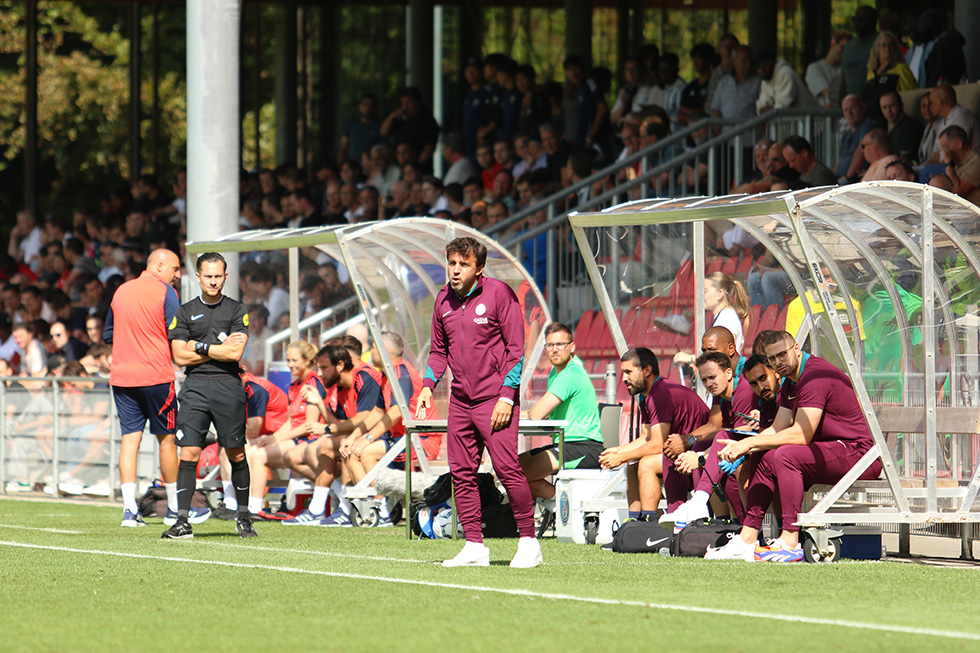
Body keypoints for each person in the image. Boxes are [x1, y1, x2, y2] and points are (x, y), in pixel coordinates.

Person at [415, 236, 540, 568]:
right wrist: (428, 385)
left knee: (506, 468)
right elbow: (438, 352)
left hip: (494, 400)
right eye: (452, 263)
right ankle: (474, 546)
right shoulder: (442, 300)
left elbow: (516, 350)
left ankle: (529, 541)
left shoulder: (499, 294)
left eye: (463, 264)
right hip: (460, 402)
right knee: (462, 473)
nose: (455, 271)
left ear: (479, 268)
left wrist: (507, 396)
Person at [706, 330, 883, 562]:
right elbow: (778, 428)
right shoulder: (791, 380)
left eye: (782, 355)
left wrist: (751, 442)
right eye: (772, 359)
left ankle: (790, 539)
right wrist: (745, 446)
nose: (778, 362)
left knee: (785, 456)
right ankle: (747, 538)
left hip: (859, 455)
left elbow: (801, 434)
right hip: (831, 450)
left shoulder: (814, 377)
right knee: (765, 455)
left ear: (796, 349)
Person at [162, 252, 254, 539]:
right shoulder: (185, 312)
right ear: (198, 277)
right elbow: (179, 357)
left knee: (236, 452)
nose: (213, 281)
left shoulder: (238, 311)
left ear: (226, 277)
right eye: (208, 276)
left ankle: (243, 517)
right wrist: (217, 351)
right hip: (195, 388)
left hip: (228, 386)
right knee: (188, 452)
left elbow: (235, 353)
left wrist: (199, 347)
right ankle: (182, 521)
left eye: (218, 276)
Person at [103, 248, 181, 528]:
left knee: (129, 440)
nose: (178, 274)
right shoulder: (166, 292)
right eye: (175, 268)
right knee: (167, 440)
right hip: (156, 375)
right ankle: (174, 509)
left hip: (123, 377)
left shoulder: (121, 291)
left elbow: (109, 335)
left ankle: (128, 511)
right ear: (160, 266)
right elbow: (177, 333)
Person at [661, 348, 781, 528]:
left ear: (728, 373)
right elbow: (729, 433)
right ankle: (718, 521)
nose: (708, 383)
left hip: (768, 448)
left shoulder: (744, 391)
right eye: (704, 380)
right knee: (700, 450)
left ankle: (740, 526)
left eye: (712, 377)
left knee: (734, 465)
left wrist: (701, 458)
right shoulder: (723, 398)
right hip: (755, 446)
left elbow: (740, 435)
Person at [598, 347, 709, 522]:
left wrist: (622, 456)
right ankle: (636, 521)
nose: (624, 378)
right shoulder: (646, 395)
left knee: (647, 463)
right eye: (623, 372)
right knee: (632, 463)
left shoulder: (661, 394)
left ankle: (649, 524)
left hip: (700, 453)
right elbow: (646, 437)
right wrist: (618, 452)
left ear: (647, 370)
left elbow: (656, 445)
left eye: (628, 372)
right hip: (677, 452)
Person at [282, 340, 386, 526]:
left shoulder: (365, 377)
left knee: (333, 444)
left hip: (388, 438)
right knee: (319, 447)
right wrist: (321, 405)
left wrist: (327, 429)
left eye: (323, 368)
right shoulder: (339, 386)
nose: (319, 373)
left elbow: (364, 421)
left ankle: (352, 508)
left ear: (341, 363)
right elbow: (340, 424)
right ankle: (322, 507)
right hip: (363, 437)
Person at [518, 322, 603, 505]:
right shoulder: (558, 373)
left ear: (572, 347)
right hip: (566, 443)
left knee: (514, 473)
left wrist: (518, 414)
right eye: (550, 345)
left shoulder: (570, 374)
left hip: (584, 447)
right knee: (513, 466)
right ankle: (559, 504)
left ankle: (567, 506)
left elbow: (537, 414)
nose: (555, 350)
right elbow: (543, 413)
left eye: (560, 344)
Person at [245, 341, 326, 517]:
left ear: (307, 361)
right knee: (250, 450)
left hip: (308, 440)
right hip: (294, 438)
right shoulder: (294, 385)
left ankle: (255, 508)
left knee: (259, 455)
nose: (290, 364)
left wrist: (276, 439)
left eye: (294, 360)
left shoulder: (313, 383)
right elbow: (290, 421)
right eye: (288, 360)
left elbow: (308, 426)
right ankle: (248, 503)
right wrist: (273, 437)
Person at [214, 369, 289, 520]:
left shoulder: (255, 389)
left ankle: (254, 507)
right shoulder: (232, 389)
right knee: (225, 446)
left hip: (276, 436)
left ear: (242, 374)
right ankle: (230, 504)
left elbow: (253, 429)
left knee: (239, 447)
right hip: (264, 436)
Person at [863, 31, 917, 125]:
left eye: (890, 45)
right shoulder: (871, 72)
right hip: (872, 122)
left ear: (895, 48)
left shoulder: (901, 69)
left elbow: (910, 97)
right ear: (877, 48)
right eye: (883, 45)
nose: (887, 48)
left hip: (892, 122)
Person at [806, 30, 850, 109]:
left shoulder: (844, 69)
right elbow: (831, 95)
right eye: (842, 48)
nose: (844, 53)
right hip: (820, 116)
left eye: (847, 50)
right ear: (833, 44)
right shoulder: (814, 68)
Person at [939, 126, 980, 206]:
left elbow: (956, 191)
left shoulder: (976, 162)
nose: (944, 152)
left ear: (958, 143)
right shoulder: (958, 162)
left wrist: (948, 163)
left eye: (945, 147)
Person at [879, 90, 923, 162]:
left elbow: (904, 160)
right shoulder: (892, 132)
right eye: (884, 107)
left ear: (901, 105)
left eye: (892, 105)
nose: (888, 111)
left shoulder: (911, 127)